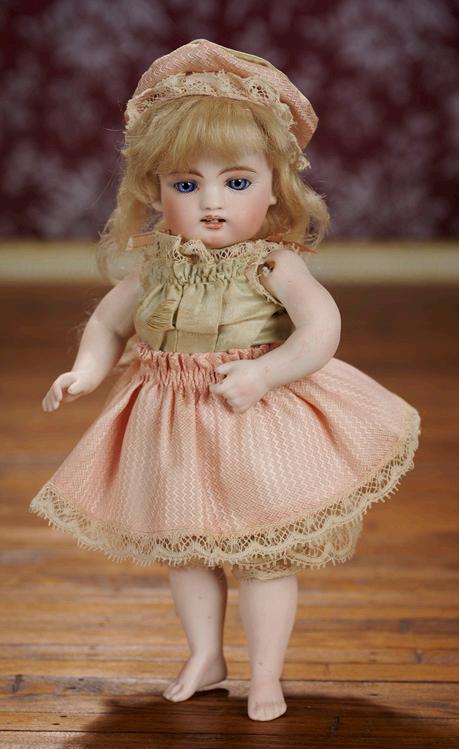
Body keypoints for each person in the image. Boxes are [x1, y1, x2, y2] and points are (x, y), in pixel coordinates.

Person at [29, 39, 421, 722]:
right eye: (186, 185)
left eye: (236, 183)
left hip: (253, 419)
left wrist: (266, 371)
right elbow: (109, 323)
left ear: (274, 188)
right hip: (172, 422)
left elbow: (320, 330)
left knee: (263, 555)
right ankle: (205, 655)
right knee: (187, 548)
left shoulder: (272, 264)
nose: (211, 203)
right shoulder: (156, 264)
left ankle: (266, 674)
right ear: (156, 190)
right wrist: (85, 370)